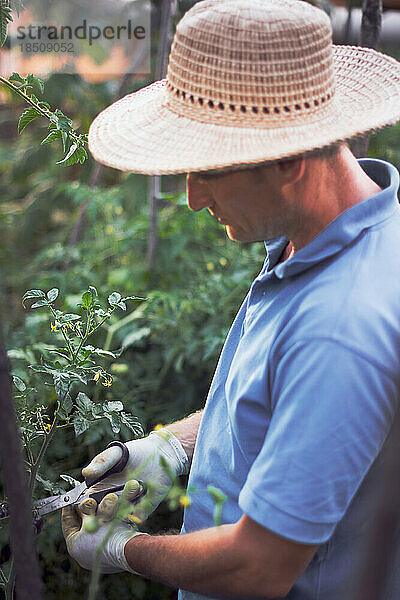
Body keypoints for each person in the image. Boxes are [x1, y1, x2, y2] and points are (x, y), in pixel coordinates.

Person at [62, 0, 400, 598]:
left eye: (209, 170)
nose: (192, 198)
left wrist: (122, 550)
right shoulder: (323, 237)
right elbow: (275, 404)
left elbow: (260, 566)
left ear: (291, 159)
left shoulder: (341, 326)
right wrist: (171, 448)